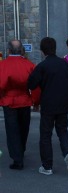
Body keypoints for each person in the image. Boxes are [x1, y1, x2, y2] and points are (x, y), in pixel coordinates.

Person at [28, 37, 68, 175]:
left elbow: (31, 84)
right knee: (62, 130)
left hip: (48, 104)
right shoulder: (64, 64)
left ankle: (47, 166)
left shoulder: (42, 66)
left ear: (42, 51)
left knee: (45, 134)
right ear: (55, 48)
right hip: (63, 103)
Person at [0, 40, 40, 170]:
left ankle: (17, 158)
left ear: (9, 50)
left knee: (12, 130)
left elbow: (1, 85)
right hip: (24, 100)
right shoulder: (29, 65)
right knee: (24, 128)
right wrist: (36, 101)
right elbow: (35, 86)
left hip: (9, 101)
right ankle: (21, 151)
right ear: (22, 50)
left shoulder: (3, 65)